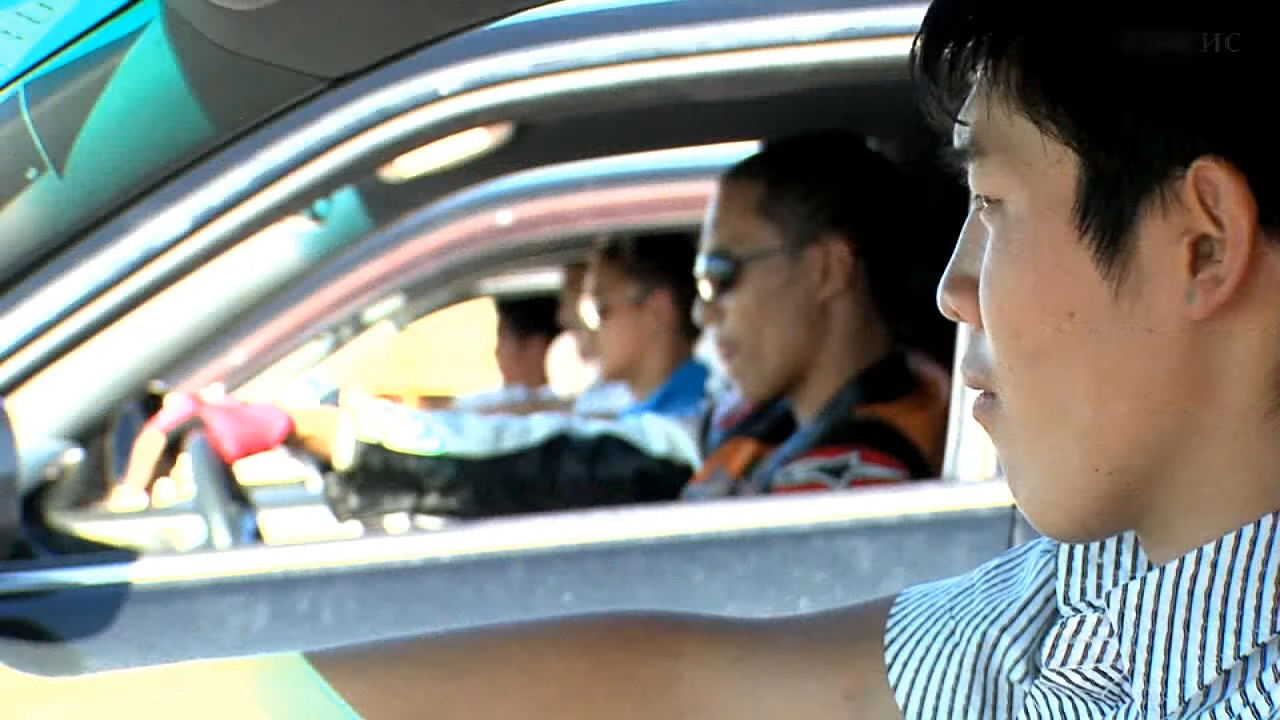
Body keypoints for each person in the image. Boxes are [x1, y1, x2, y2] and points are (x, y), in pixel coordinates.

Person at [298, 2, 1280, 717]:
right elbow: (697, 679)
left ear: (1200, 244)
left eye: (987, 204)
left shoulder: (864, 458)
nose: (953, 290)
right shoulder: (1077, 594)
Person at [684, 130, 951, 497]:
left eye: (721, 274)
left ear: (827, 269)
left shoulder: (854, 474)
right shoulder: (766, 427)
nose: (703, 313)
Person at [450, 295, 562, 412]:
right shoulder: (570, 409)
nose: (497, 352)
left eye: (503, 338)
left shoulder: (482, 410)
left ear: (534, 346)